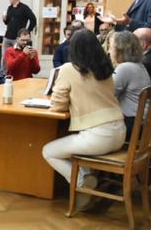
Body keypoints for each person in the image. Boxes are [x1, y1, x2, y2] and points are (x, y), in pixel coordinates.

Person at [43, 29, 126, 211]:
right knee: (73, 145)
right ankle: (86, 178)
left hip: (97, 137)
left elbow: (57, 105)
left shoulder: (68, 69)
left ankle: (82, 183)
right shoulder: (106, 69)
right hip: (119, 133)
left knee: (48, 151)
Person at [109, 31, 151, 140]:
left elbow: (108, 96)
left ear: (120, 50)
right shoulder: (139, 66)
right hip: (142, 124)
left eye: (111, 47)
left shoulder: (125, 68)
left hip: (130, 125)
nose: (109, 51)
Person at [1, 0, 37, 71]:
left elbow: (33, 19)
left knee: (18, 57)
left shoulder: (24, 8)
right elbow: (7, 23)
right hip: (7, 37)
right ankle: (3, 74)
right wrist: (4, 19)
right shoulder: (9, 8)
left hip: (17, 38)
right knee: (4, 57)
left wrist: (27, 31)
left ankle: (18, 75)